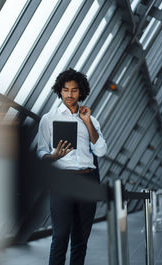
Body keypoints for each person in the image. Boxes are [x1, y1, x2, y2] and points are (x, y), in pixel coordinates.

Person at [36, 68, 107, 265]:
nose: (69, 94)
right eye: (65, 90)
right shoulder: (48, 119)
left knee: (80, 239)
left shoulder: (91, 120)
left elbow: (100, 150)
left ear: (81, 92)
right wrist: (54, 155)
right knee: (60, 237)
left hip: (87, 179)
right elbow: (41, 151)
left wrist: (87, 123)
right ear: (60, 91)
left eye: (74, 90)